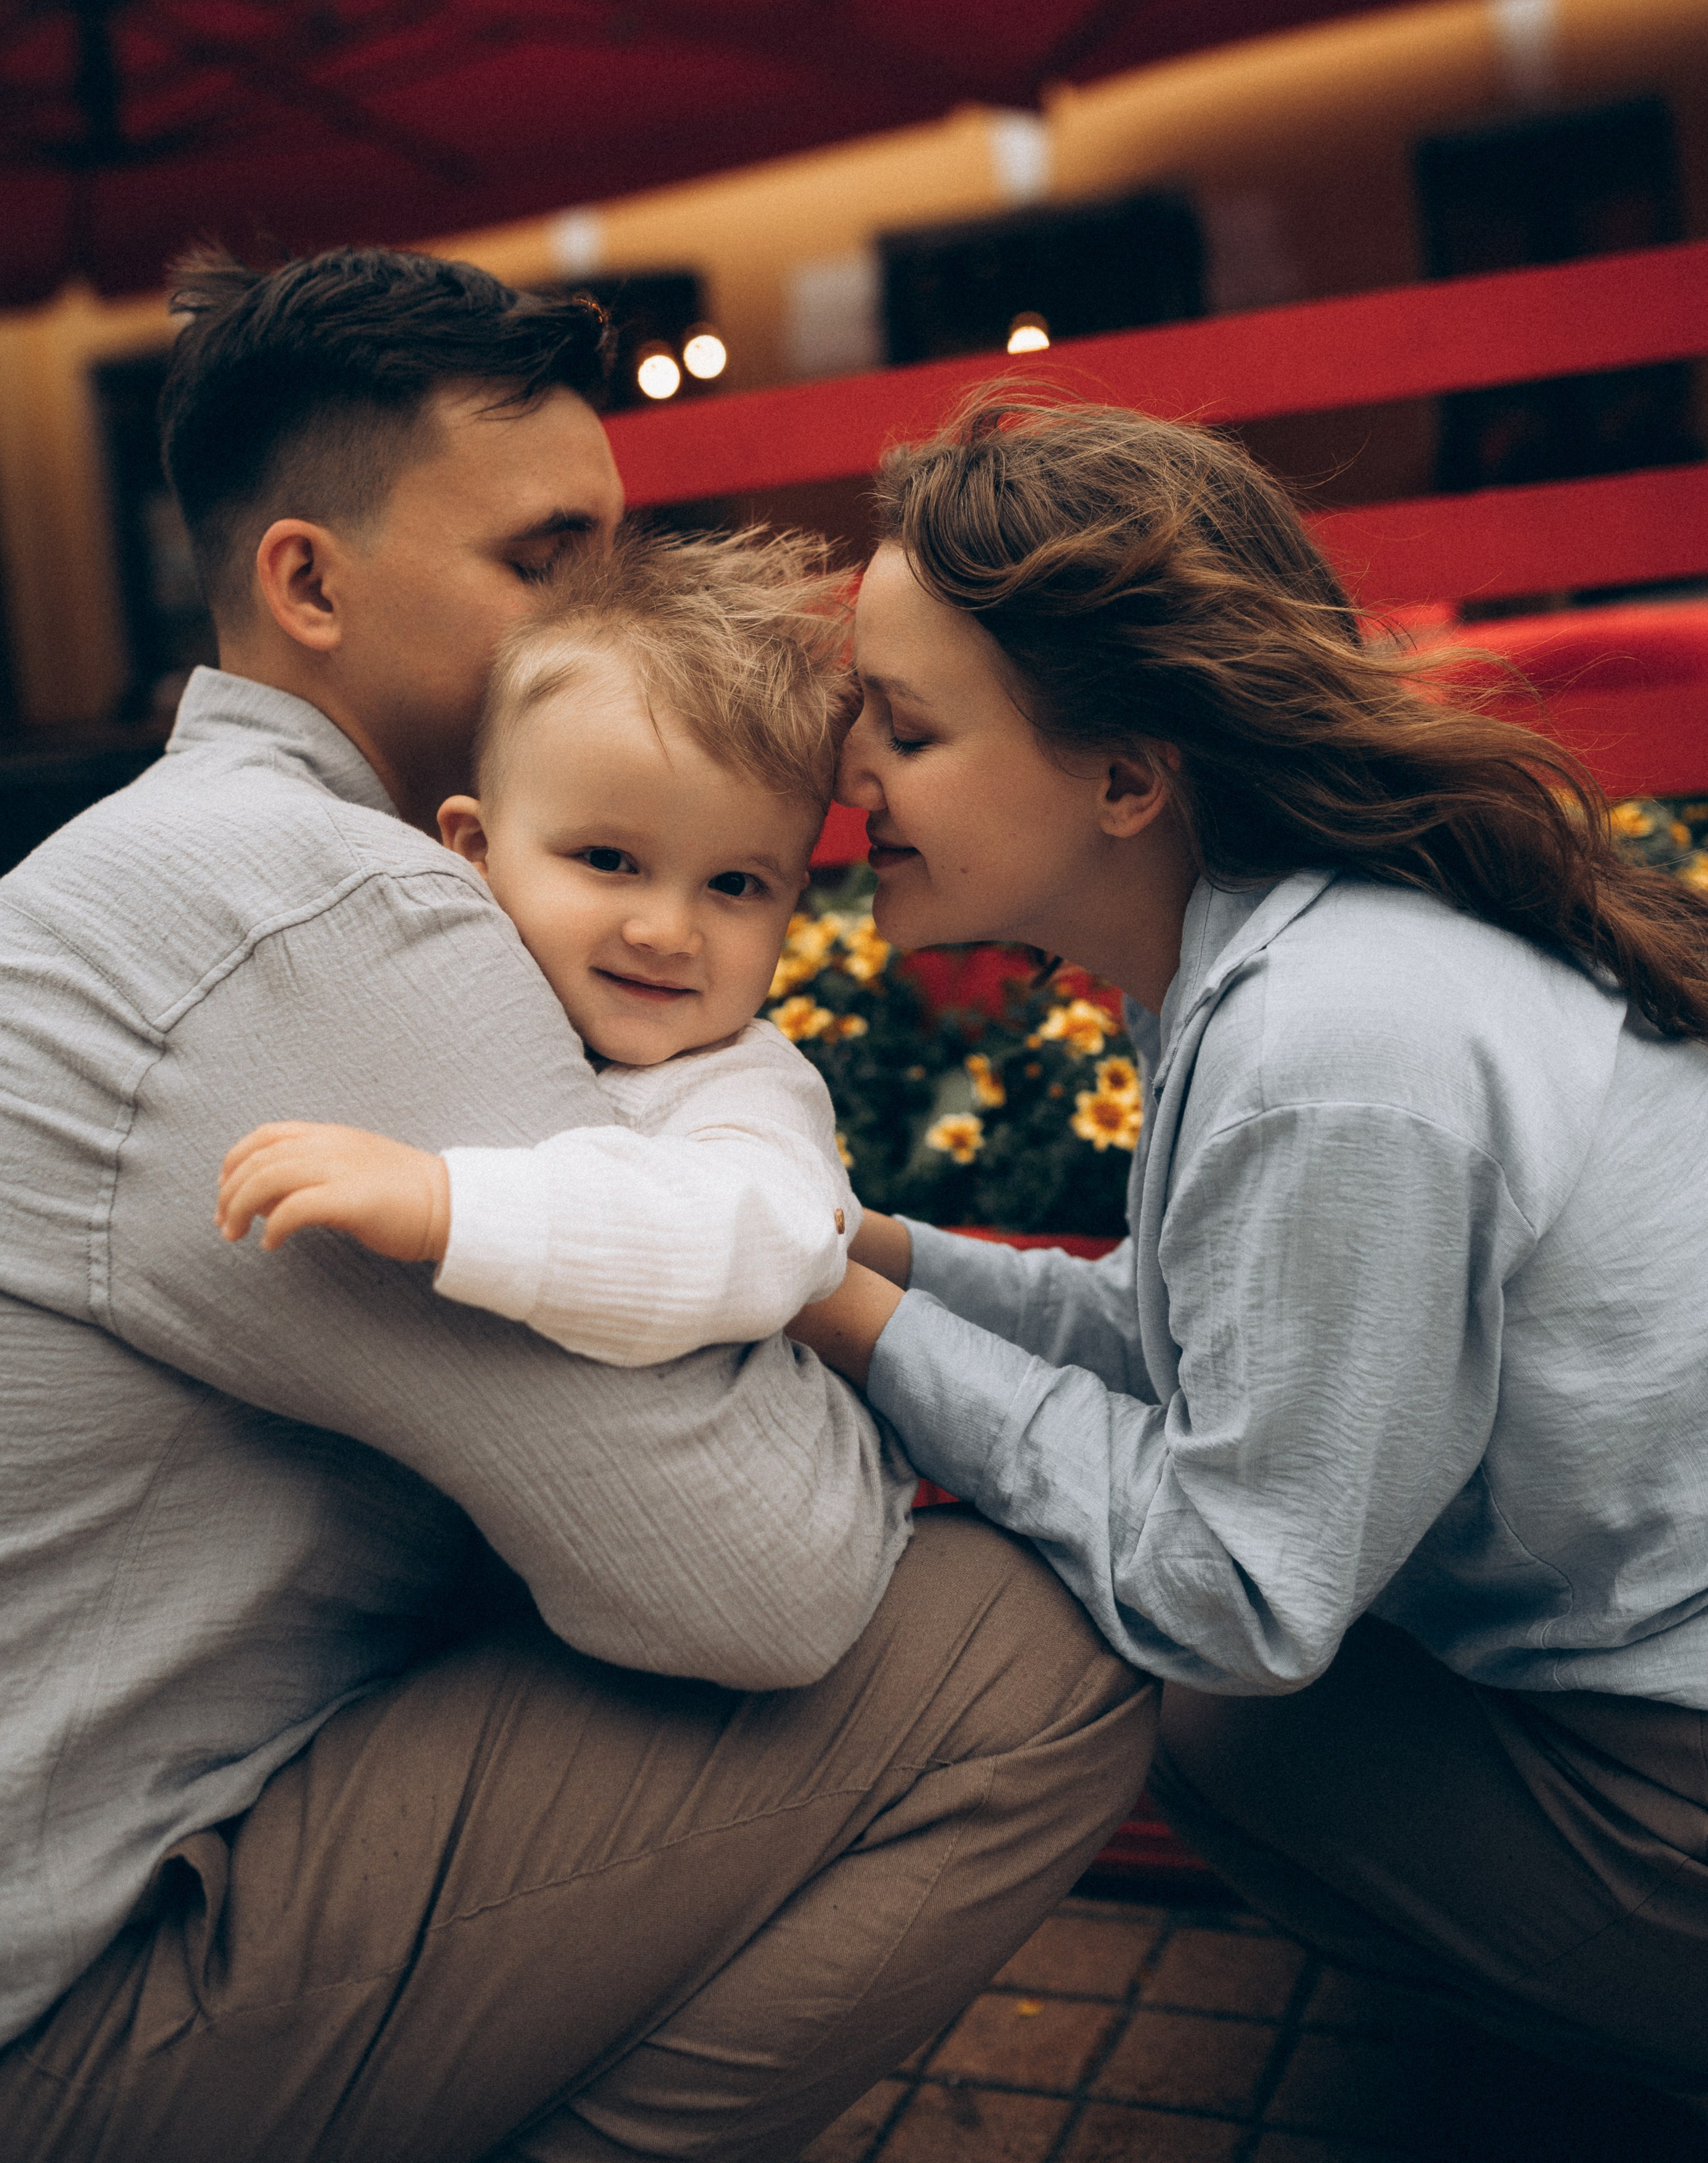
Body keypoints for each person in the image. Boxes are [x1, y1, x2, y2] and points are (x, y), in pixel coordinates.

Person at [0, 262, 1149, 2163]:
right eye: (550, 557)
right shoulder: (318, 909)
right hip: (79, 2016)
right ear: (308, 585)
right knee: (1036, 1645)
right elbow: (761, 1588)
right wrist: (815, 1380)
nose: (609, 613)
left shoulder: (174, 856)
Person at [793, 388, 1708, 2110]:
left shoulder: (1333, 1043)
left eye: (904, 732)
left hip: (1674, 1760)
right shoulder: (1293, 955)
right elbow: (1183, 1333)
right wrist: (874, 1254)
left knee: (1225, 1729)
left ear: (1129, 775)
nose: (849, 779)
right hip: (1645, 1692)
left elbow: (1242, 1591)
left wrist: (843, 1320)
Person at [216, 527, 865, 1361]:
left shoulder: (742, 1087)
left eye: (736, 884)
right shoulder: (434, 986)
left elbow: (747, 1240)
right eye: (607, 860)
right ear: (474, 850)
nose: (666, 932)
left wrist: (445, 1204)